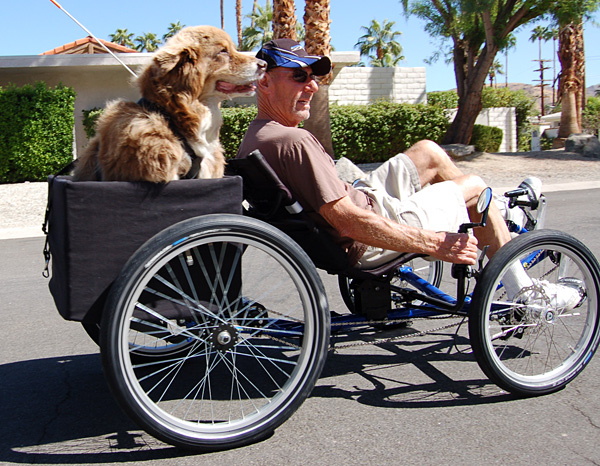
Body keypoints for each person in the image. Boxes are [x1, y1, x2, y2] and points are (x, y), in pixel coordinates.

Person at [237, 39, 581, 308]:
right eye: (299, 75)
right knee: (476, 186)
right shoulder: (293, 141)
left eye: (312, 76)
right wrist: (437, 243)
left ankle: (496, 212)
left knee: (429, 151)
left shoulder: (257, 136)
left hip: (362, 197)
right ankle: (525, 291)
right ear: (264, 82)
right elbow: (350, 224)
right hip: (368, 230)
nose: (311, 86)